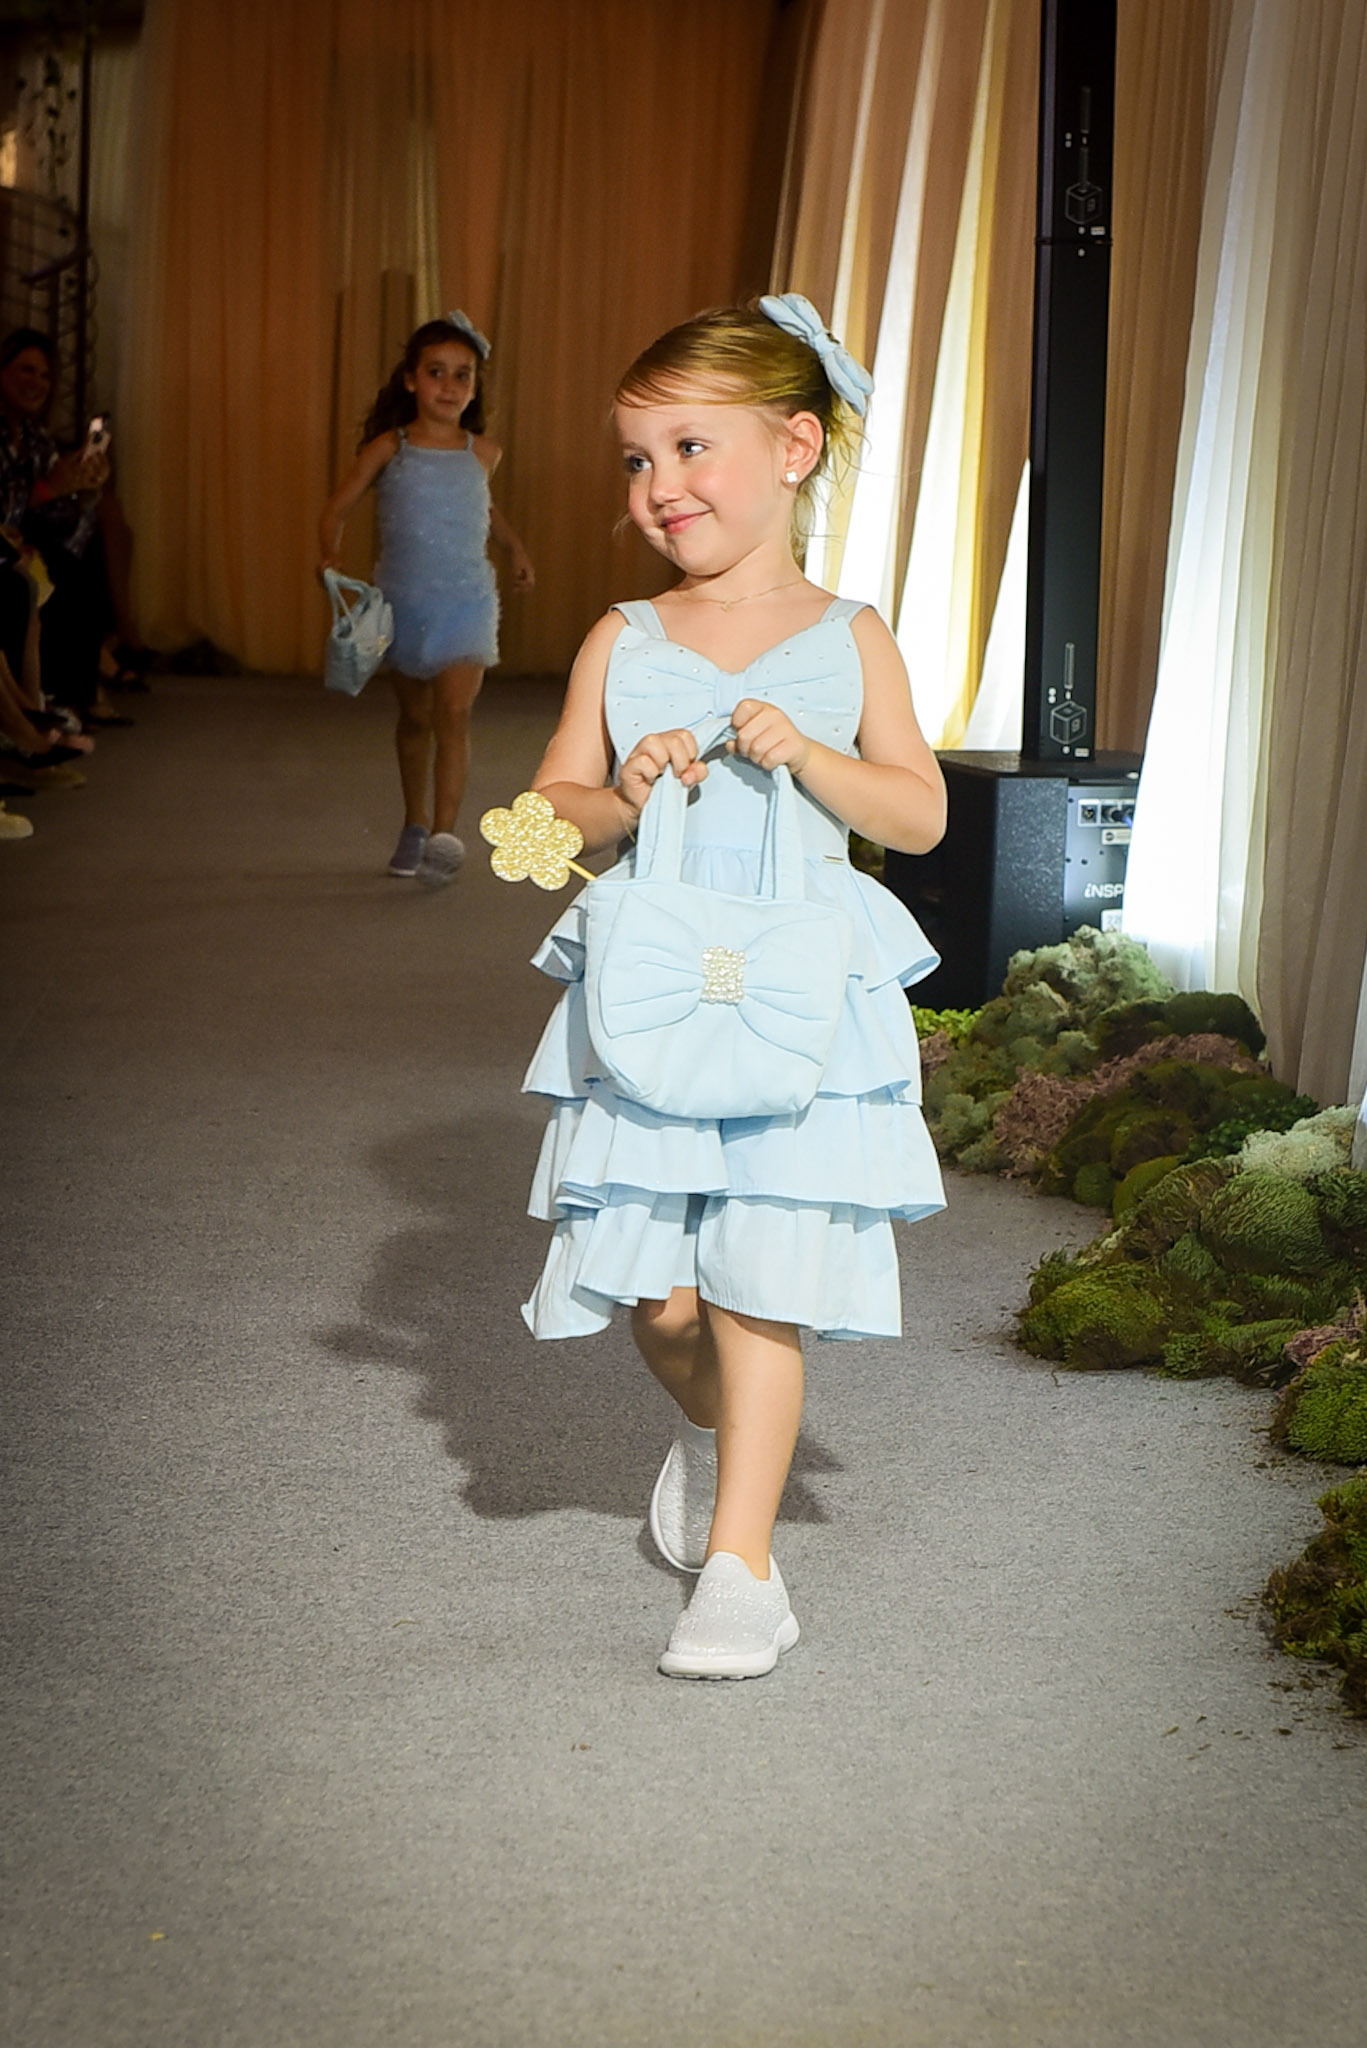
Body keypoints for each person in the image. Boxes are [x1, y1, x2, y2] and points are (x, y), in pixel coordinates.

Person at [520, 295, 947, 1680]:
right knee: (655, 1296)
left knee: (761, 1275)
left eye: (689, 449)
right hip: (654, 990)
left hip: (799, 994)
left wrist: (812, 760)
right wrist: (616, 795)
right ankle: (712, 1437)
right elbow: (533, 835)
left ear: (793, 449)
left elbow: (921, 814)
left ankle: (740, 1569)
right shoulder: (620, 635)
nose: (659, 490)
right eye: (637, 462)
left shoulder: (848, 637)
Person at [319, 312, 534, 886]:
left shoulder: (482, 452)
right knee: (414, 718)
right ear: (412, 380)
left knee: (455, 715)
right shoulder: (392, 447)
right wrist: (329, 554)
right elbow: (339, 506)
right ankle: (414, 824)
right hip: (405, 603)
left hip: (468, 600)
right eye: (436, 372)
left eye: (462, 375)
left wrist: (515, 548)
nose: (449, 386)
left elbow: (482, 511)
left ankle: (444, 836)